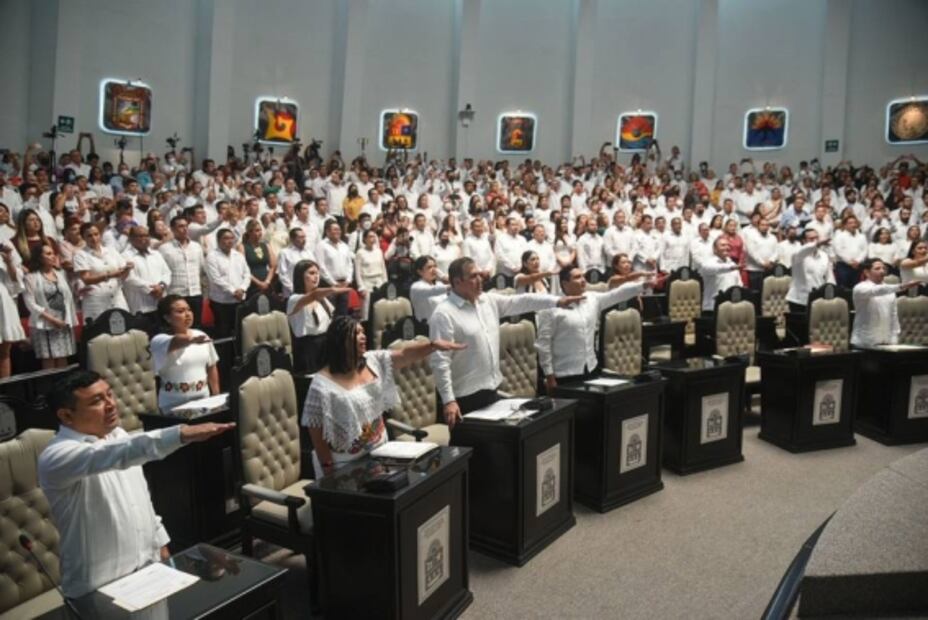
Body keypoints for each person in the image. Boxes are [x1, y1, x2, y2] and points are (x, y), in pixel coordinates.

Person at [38, 370, 234, 598]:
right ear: (66, 416)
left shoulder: (119, 435)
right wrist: (181, 433)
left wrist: (161, 544)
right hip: (99, 588)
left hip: (149, 571)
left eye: (109, 395)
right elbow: (116, 453)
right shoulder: (57, 456)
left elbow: (141, 499)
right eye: (96, 401)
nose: (110, 404)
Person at [302, 316, 463, 477]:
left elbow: (405, 354)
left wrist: (432, 346)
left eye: (363, 332)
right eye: (356, 333)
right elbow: (317, 435)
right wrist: (329, 473)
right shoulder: (321, 384)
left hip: (380, 453)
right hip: (344, 465)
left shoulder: (373, 360)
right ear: (340, 340)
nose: (363, 336)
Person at [429, 257, 583, 424]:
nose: (480, 280)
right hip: (463, 400)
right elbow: (440, 362)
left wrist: (556, 301)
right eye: (473, 276)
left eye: (480, 274)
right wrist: (448, 400)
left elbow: (522, 301)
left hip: (492, 391)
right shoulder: (444, 313)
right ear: (457, 282)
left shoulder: (487, 301)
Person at [537, 267, 653, 390]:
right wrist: (549, 376)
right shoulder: (551, 308)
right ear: (565, 283)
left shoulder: (592, 299)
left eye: (583, 276)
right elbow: (543, 345)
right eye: (577, 277)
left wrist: (643, 285)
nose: (583, 280)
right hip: (564, 374)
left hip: (591, 369)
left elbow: (617, 294)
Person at [150, 295, 220, 410]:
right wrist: (191, 340)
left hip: (203, 400)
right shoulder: (159, 340)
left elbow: (212, 366)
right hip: (172, 404)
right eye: (180, 311)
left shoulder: (201, 335)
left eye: (189, 309)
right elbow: (175, 341)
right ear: (167, 318)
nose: (187, 314)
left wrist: (216, 396)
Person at [287, 260, 351, 373]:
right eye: (311, 273)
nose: (316, 276)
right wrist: (332, 289)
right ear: (300, 276)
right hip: (307, 349)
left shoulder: (323, 299)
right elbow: (313, 295)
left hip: (325, 345)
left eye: (317, 273)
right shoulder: (294, 299)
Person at [23, 244, 77, 368]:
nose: (52, 256)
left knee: (63, 360)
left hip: (62, 323)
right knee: (49, 361)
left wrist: (65, 320)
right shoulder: (31, 277)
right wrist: (52, 320)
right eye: (48, 254)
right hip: (44, 325)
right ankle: (50, 388)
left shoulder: (61, 274)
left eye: (52, 253)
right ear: (39, 257)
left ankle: (65, 387)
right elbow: (30, 303)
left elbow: (68, 298)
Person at [850, 259, 921, 347]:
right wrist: (901, 286)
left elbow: (893, 315)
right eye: (877, 269)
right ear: (866, 272)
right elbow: (876, 290)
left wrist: (894, 339)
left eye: (884, 268)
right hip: (865, 341)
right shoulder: (860, 288)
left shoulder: (890, 290)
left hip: (886, 341)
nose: (882, 271)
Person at [73, 222, 132, 322]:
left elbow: (123, 275)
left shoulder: (111, 251)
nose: (94, 238)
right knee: (101, 332)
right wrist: (110, 275)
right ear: (83, 238)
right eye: (89, 236)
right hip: (96, 301)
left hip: (116, 297)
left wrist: (127, 268)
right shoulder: (80, 255)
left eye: (96, 234)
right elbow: (86, 279)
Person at [159, 215, 206, 328]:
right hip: (176, 294)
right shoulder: (164, 249)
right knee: (178, 327)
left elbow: (201, 268)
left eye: (186, 226)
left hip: (195, 293)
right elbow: (162, 272)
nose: (185, 229)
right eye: (180, 226)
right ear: (173, 229)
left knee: (196, 326)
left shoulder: (197, 247)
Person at [122, 226, 172, 332]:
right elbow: (129, 279)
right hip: (140, 308)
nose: (144, 238)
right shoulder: (125, 256)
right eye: (140, 236)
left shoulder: (156, 254)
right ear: (131, 239)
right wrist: (152, 290)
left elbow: (167, 272)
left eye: (146, 235)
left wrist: (162, 286)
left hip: (160, 304)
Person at [205, 228, 250, 338]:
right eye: (226, 238)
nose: (229, 241)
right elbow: (216, 279)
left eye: (231, 238)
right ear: (218, 240)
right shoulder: (212, 256)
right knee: (223, 333)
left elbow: (247, 274)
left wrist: (242, 289)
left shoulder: (238, 255)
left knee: (241, 331)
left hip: (239, 299)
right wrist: (233, 291)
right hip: (221, 302)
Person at [786, 229, 835, 312]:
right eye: (811, 239)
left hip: (818, 298)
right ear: (804, 241)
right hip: (799, 300)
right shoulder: (797, 254)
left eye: (817, 238)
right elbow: (805, 250)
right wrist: (817, 243)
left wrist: (832, 292)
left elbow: (829, 277)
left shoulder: (824, 256)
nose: (815, 241)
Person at [0, 241, 26, 377]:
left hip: (3, 300)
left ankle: (4, 394)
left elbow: (15, 282)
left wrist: (9, 261)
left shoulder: (4, 242)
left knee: (4, 350)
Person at [699, 237, 742, 311]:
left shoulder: (732, 263)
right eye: (723, 245)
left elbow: (739, 284)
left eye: (728, 245)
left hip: (732, 306)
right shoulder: (707, 263)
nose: (727, 247)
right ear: (714, 249)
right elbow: (717, 268)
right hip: (712, 306)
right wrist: (731, 268)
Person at [354, 229, 387, 321]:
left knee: (380, 308)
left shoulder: (378, 251)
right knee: (367, 312)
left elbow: (383, 268)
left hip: (379, 281)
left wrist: (385, 284)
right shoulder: (360, 252)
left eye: (374, 236)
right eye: (370, 237)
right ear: (365, 239)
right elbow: (357, 272)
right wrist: (361, 287)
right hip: (367, 283)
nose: (372, 239)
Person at [276, 227, 315, 297]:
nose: (304, 239)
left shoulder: (309, 252)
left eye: (304, 237)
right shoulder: (285, 253)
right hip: (292, 292)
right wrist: (293, 289)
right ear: (292, 239)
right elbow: (282, 275)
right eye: (300, 237)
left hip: (309, 291)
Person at [409, 255, 449, 323]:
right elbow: (433, 291)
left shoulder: (439, 284)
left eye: (435, 266)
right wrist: (444, 278)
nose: (434, 270)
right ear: (420, 272)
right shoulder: (416, 287)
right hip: (426, 327)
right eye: (429, 267)